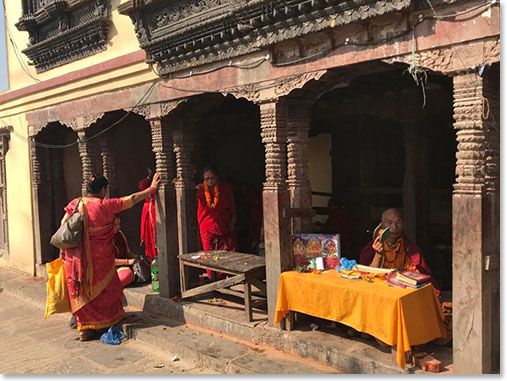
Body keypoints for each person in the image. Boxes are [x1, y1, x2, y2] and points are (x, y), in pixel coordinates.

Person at [61, 172, 160, 341]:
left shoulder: (75, 204)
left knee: (82, 291)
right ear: (103, 190)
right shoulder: (104, 206)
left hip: (76, 261)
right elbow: (132, 199)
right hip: (99, 262)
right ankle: (103, 323)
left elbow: (64, 227)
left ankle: (84, 328)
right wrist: (151, 189)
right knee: (110, 288)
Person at [359, 208, 440, 296]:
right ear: (381, 226)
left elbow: (420, 276)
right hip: (379, 291)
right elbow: (367, 276)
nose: (394, 227)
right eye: (389, 223)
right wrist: (378, 254)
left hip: (403, 291)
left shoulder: (410, 248)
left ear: (404, 225)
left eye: (399, 223)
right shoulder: (373, 247)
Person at [196, 164, 237, 279]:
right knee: (209, 254)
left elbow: (232, 205)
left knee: (226, 251)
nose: (209, 181)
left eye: (212, 178)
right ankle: (213, 279)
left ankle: (226, 277)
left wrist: (233, 220)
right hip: (207, 226)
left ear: (217, 177)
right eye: (207, 179)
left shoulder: (225, 188)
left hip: (223, 225)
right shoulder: (200, 190)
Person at [138, 167, 157, 262]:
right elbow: (141, 186)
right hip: (148, 215)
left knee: (156, 243)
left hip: (156, 213)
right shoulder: (148, 184)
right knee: (149, 242)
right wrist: (150, 177)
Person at [112, 217, 136, 288]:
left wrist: (137, 258)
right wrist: (127, 262)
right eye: (115, 225)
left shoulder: (120, 234)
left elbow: (128, 253)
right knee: (127, 274)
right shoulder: (104, 239)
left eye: (119, 224)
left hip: (125, 267)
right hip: (112, 270)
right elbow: (109, 261)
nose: (118, 227)